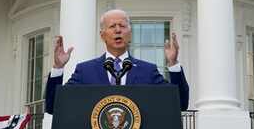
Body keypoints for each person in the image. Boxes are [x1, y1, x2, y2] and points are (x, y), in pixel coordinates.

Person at [44, 9, 190, 114]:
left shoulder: (148, 71)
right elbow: (53, 106)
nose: (118, 30)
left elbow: (180, 104)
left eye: (122, 26)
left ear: (130, 33)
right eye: (112, 26)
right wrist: (58, 68)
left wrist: (173, 65)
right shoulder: (85, 71)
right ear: (102, 35)